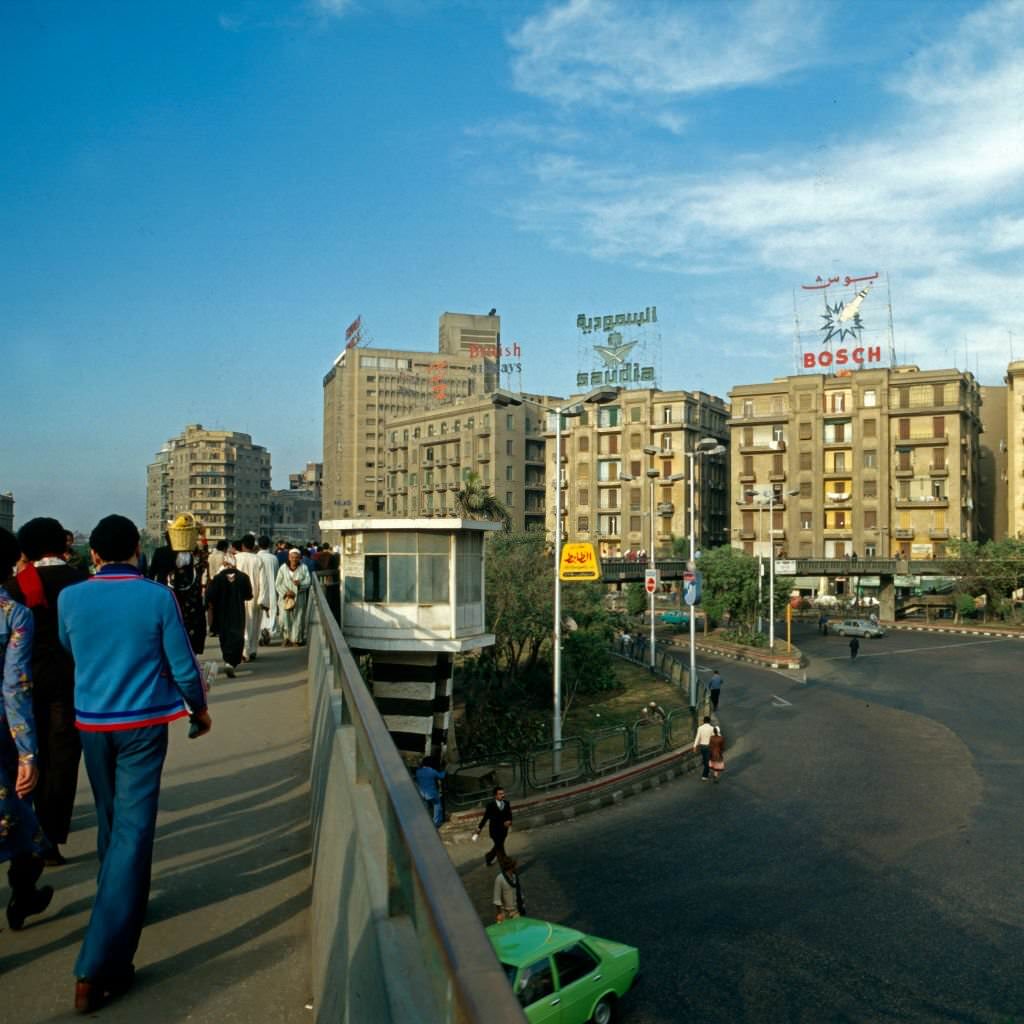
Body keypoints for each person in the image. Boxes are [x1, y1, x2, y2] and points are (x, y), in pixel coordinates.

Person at [58, 514, 211, 1013]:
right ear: (136, 553)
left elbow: (69, 646)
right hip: (143, 724)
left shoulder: (70, 598)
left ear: (94, 555)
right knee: (133, 831)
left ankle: (118, 903)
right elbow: (183, 665)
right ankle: (99, 962)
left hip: (92, 724)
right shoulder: (156, 597)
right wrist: (198, 709)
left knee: (111, 824)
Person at [4, 517, 88, 864]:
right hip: (69, 679)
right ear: (64, 545)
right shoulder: (82, 582)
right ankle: (52, 834)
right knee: (62, 756)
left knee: (25, 754)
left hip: (22, 681)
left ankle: (27, 830)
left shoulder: (14, 586)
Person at [0, 527, 55, 931]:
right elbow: (15, 688)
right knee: (23, 826)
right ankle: (23, 895)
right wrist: (28, 754)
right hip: (4, 737)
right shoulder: (14, 614)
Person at [204, 552, 252, 677]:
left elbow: (209, 595)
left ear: (224, 563)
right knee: (238, 637)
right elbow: (248, 595)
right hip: (238, 613)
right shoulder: (243, 577)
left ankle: (227, 660)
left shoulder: (218, 578)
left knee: (224, 638)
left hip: (222, 613)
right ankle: (232, 662)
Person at [151, 547, 207, 655]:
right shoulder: (188, 554)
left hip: (164, 591)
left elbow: (152, 572)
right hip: (186, 596)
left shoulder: (160, 551)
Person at [233, 535, 264, 663]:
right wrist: (263, 599)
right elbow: (263, 582)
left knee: (241, 624)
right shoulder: (258, 560)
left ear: (242, 545)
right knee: (253, 624)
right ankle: (251, 650)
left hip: (237, 596)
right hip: (254, 595)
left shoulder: (235, 558)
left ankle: (243, 651)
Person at [276, 548, 312, 646]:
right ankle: (286, 638)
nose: (294, 559)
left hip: (299, 597)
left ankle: (296, 639)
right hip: (285, 598)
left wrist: (300, 584)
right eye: (292, 557)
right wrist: (286, 592)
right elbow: (278, 583)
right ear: (289, 557)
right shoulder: (283, 568)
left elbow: (308, 581)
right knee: (284, 618)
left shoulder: (304, 568)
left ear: (300, 558)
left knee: (298, 618)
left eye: (296, 558)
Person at [472, 786, 512, 866]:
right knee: (499, 846)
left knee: (499, 845)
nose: (503, 795)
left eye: (503, 793)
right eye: (500, 794)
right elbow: (485, 817)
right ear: (495, 795)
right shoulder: (490, 805)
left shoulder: (507, 803)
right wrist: (479, 828)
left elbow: (509, 814)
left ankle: (489, 856)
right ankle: (504, 861)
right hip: (494, 830)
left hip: (504, 830)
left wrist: (509, 821)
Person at [256, 536, 279, 646]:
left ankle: (261, 633)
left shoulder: (256, 558)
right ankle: (269, 632)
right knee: (272, 612)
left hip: (259, 589)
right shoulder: (274, 558)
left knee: (259, 613)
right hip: (272, 590)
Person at [414, 755, 446, 828]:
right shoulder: (431, 770)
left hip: (422, 793)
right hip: (432, 793)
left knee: (425, 808)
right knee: (437, 805)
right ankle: (436, 823)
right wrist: (444, 770)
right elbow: (441, 776)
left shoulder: (418, 771)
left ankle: (425, 822)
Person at [492, 856, 525, 923]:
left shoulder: (515, 877)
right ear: (510, 867)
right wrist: (499, 913)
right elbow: (497, 899)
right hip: (505, 914)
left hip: (516, 912)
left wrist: (522, 905)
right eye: (514, 866)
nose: (515, 868)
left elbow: (519, 892)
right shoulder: (499, 879)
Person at [693, 715, 715, 781]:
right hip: (709, 747)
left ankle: (706, 772)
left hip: (702, 747)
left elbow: (697, 737)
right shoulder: (712, 728)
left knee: (705, 760)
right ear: (709, 721)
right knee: (707, 761)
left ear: (703, 721)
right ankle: (704, 775)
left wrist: (694, 746)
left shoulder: (700, 728)